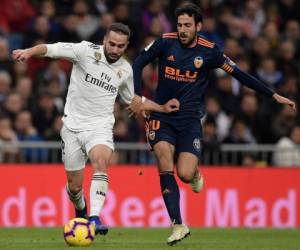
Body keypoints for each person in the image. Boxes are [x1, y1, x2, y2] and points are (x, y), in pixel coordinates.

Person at [131, 4, 296, 245]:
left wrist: (272, 95)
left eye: (188, 25)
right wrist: (138, 97)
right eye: (179, 25)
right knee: (164, 160)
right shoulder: (164, 42)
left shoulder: (210, 52)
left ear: (199, 26)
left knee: (185, 174)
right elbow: (137, 63)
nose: (182, 30)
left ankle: (195, 173)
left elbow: (240, 74)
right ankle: (178, 224)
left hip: (189, 120)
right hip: (162, 115)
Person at [12, 23, 179, 236]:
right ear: (104, 41)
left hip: (100, 126)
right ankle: (81, 209)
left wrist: (162, 108)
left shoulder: (125, 70)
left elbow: (133, 100)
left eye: (120, 46)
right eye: (112, 44)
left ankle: (94, 217)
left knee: (100, 161)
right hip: (72, 126)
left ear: (126, 46)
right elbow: (51, 49)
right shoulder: (84, 51)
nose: (115, 49)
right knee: (74, 187)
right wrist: (28, 52)